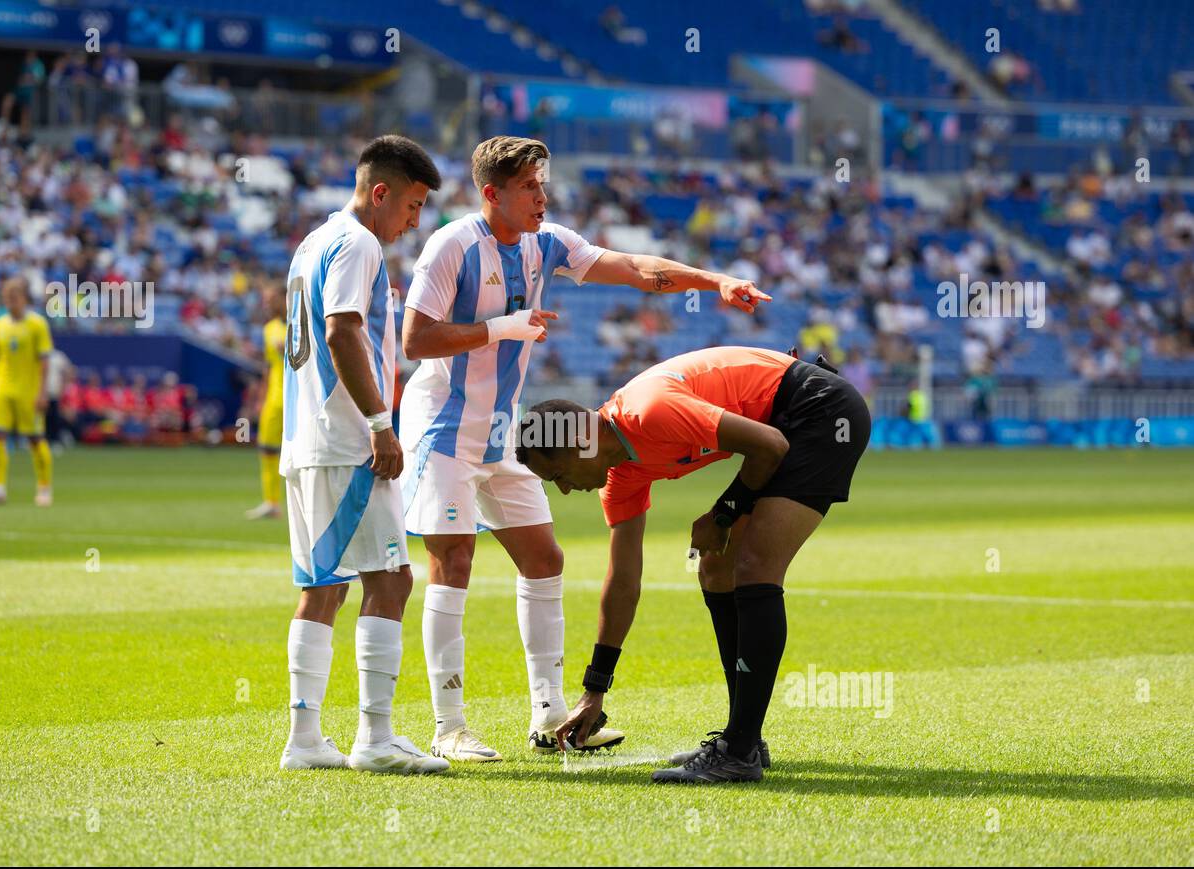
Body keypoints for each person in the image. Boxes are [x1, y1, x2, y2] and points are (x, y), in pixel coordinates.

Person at [399, 135, 770, 762]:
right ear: (491, 194)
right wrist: (497, 329)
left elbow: (633, 269)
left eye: (543, 185)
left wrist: (714, 280)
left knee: (544, 559)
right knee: (454, 562)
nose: (542, 197)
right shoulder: (452, 246)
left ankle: (549, 715)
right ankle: (449, 725)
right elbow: (414, 339)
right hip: (443, 426)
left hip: (503, 430)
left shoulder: (548, 244)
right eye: (528, 188)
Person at [517, 346, 871, 784]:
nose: (565, 491)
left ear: (580, 440)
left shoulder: (649, 410)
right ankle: (744, 739)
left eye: (557, 476)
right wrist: (595, 690)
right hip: (784, 425)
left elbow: (770, 446)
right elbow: (624, 580)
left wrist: (722, 514)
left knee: (755, 565)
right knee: (716, 569)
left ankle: (738, 751)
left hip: (820, 410)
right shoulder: (620, 477)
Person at [279, 135, 448, 775]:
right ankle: (376, 739)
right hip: (348, 440)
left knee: (323, 588)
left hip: (305, 439)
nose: (413, 221)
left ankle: (304, 740)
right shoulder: (359, 243)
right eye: (411, 205)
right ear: (380, 193)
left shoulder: (311, 243)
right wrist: (381, 424)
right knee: (392, 578)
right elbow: (341, 329)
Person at [0, 279, 55, 506]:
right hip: (1, 389)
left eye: (14, 297)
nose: (10, 302)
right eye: (7, 297)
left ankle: (44, 488)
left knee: (35, 439)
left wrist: (42, 392)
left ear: (24, 298)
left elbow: (45, 361)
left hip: (28, 391)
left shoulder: (37, 324)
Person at [246, 282, 287, 520]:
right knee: (267, 448)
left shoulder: (300, 323)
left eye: (272, 299)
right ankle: (271, 502)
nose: (267, 304)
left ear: (284, 298)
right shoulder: (269, 328)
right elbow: (269, 366)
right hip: (274, 395)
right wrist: (260, 398)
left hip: (297, 397)